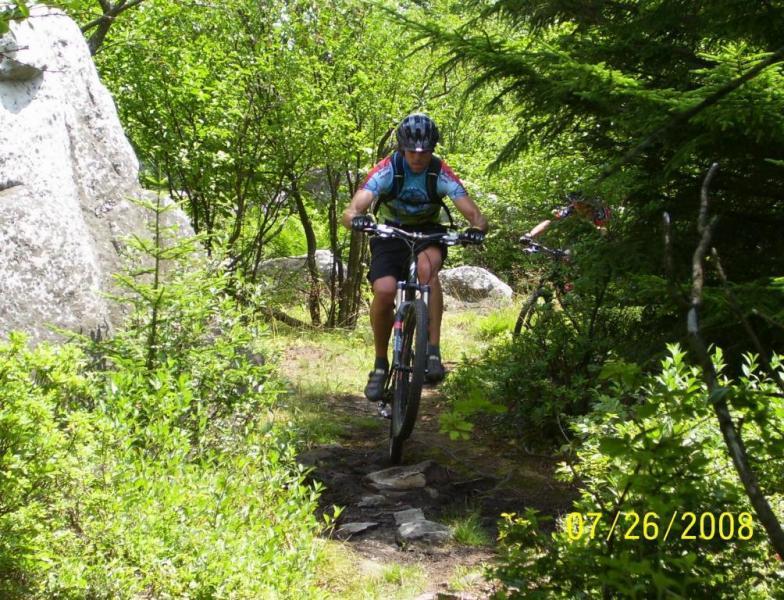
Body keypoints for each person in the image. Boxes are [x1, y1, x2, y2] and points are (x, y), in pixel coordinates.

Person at [342, 113, 488, 402]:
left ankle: (432, 352)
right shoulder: (387, 170)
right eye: (412, 152)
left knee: (427, 270)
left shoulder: (439, 172)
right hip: (389, 231)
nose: (418, 158)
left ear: (432, 150)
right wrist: (356, 220)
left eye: (425, 152)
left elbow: (474, 214)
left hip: (428, 232)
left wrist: (476, 230)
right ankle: (380, 365)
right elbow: (351, 210)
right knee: (384, 290)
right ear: (402, 149)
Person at [522, 192, 610, 241]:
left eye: (581, 203)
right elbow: (550, 221)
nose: (578, 206)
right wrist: (530, 235)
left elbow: (604, 228)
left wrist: (601, 235)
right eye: (575, 203)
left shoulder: (600, 210)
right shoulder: (570, 209)